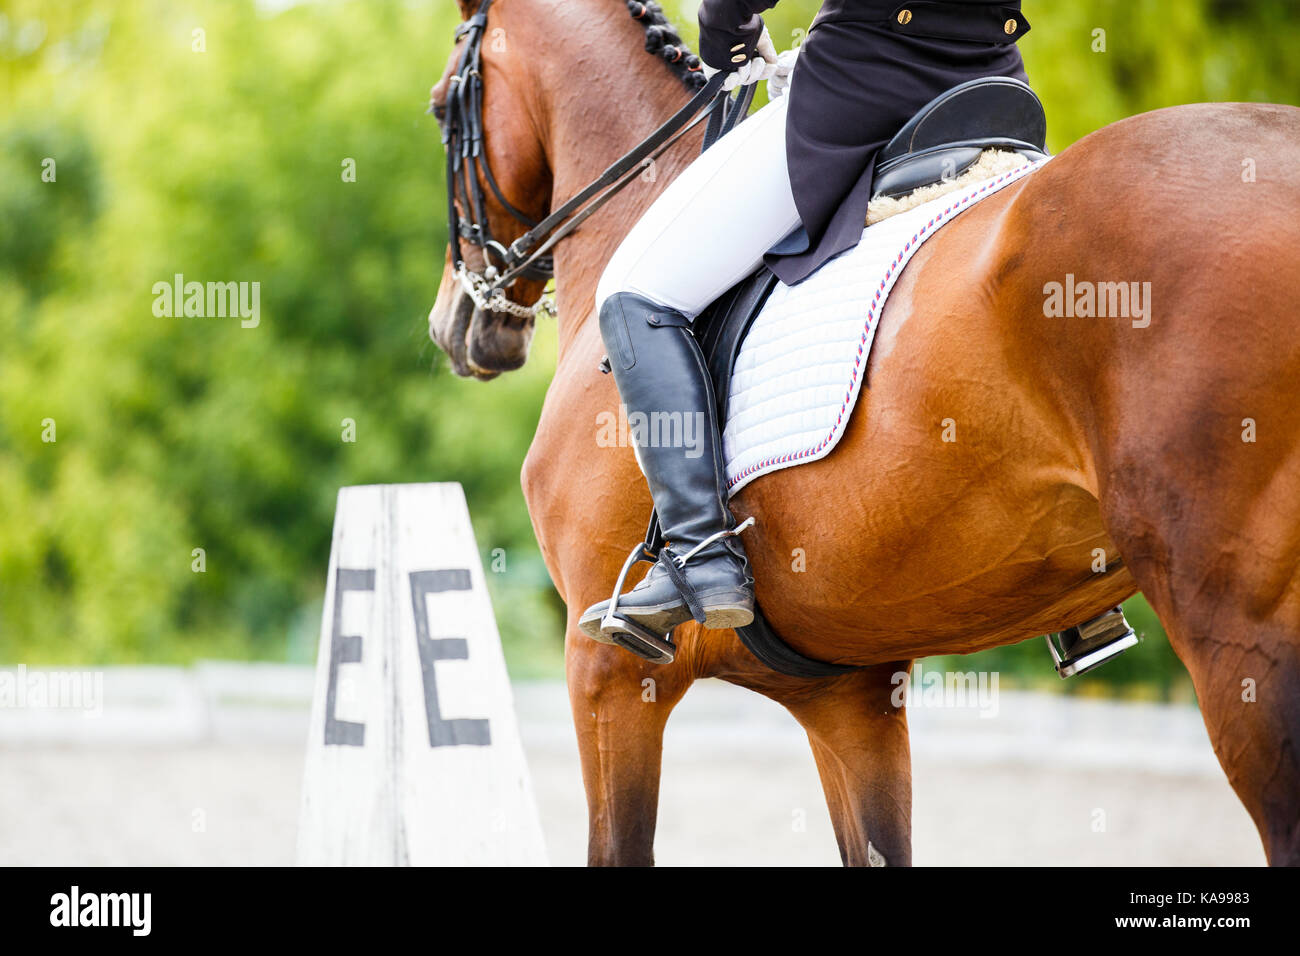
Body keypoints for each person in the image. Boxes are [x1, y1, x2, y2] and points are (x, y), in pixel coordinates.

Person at [579, 1, 1032, 646]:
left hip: (864, 90)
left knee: (634, 292)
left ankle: (699, 557)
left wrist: (729, 34)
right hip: (993, 94)